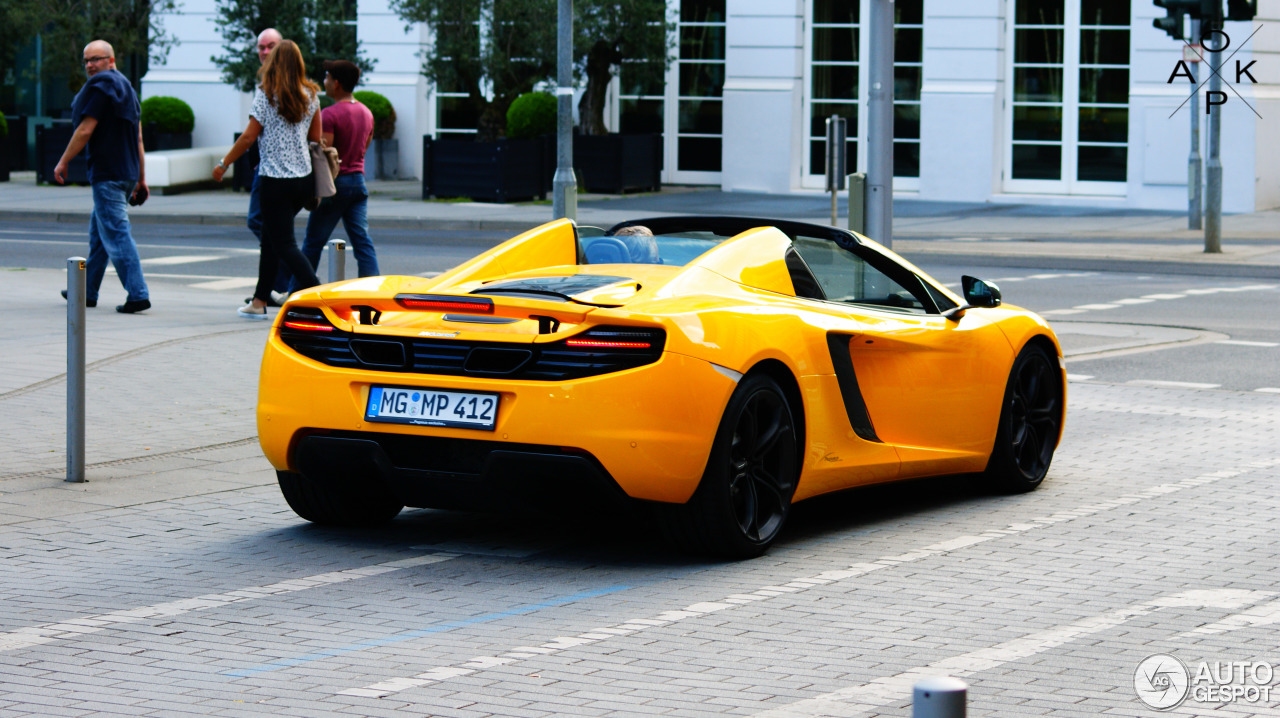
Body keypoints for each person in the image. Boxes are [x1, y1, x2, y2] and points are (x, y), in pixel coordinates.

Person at [213, 39, 321, 319]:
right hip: (304, 179)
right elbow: (315, 138)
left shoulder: (266, 94)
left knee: (284, 243)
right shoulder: (310, 95)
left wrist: (224, 163)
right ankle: (260, 301)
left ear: (273, 63)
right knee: (270, 239)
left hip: (275, 181)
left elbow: (248, 136)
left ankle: (319, 296)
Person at [54, 39, 151, 314]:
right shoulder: (128, 90)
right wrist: (141, 178)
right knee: (99, 236)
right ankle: (86, 291)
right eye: (86, 60)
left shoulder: (102, 88)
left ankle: (138, 293)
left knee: (117, 235)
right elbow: (139, 138)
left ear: (111, 60)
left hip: (108, 174)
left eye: (96, 59)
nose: (90, 65)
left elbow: (85, 130)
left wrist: (63, 161)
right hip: (127, 173)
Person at [293, 59, 379, 291]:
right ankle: (372, 291)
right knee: (362, 242)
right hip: (358, 182)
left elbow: (325, 154)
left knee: (313, 243)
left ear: (337, 83)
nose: (325, 82)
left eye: (328, 77)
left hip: (335, 184)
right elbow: (365, 145)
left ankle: (294, 293)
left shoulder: (330, 115)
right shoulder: (366, 112)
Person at [243, 27, 291, 306]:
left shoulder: (275, 86)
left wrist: (225, 163)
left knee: (268, 229)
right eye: (261, 47)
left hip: (275, 171)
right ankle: (272, 290)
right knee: (273, 231)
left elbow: (251, 133)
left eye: (270, 46)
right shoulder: (268, 82)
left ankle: (283, 287)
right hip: (270, 168)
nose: (264, 51)